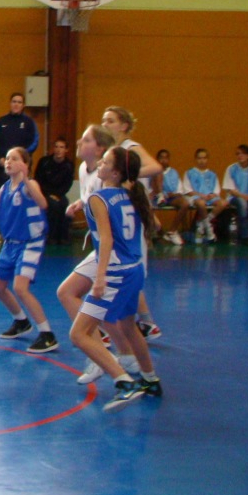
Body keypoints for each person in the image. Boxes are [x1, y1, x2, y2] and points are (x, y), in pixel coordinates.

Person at [69, 145, 162, 412]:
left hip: (113, 273)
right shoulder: (130, 194)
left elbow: (107, 239)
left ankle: (124, 383)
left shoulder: (99, 198)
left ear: (116, 171)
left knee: (78, 334)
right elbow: (151, 226)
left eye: (106, 161)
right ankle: (150, 379)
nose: (100, 163)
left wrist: (99, 279)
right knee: (128, 326)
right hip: (134, 270)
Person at [60, 124, 143, 385]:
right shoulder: (85, 170)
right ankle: (115, 356)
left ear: (100, 149)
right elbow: (92, 200)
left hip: (113, 253)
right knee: (67, 293)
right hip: (102, 249)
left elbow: (108, 213)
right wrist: (80, 203)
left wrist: (101, 275)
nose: (78, 141)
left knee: (110, 312)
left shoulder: (106, 177)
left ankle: (118, 359)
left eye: (85, 139)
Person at [0, 147, 58, 353]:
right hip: (10, 244)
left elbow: (43, 203)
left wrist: (27, 178)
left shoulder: (30, 185)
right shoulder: (5, 188)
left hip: (30, 242)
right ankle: (21, 321)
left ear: (25, 164)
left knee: (20, 288)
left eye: (14, 158)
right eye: (7, 158)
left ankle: (47, 334)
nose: (8, 162)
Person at [101, 106, 163, 341]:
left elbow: (156, 167)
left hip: (133, 220)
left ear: (124, 125)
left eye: (110, 120)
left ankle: (122, 322)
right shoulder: (113, 152)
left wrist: (129, 174)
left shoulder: (130, 148)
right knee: (123, 271)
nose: (105, 124)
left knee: (128, 271)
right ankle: (145, 322)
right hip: (122, 217)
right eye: (103, 121)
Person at [0, 92, 39, 246]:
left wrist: (19, 160)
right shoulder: (1, 122)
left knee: (21, 199)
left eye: (19, 102)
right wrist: (0, 159)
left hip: (21, 172)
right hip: (1, 168)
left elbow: (34, 143)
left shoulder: (28, 123)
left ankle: (19, 232)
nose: (16, 104)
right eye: (14, 101)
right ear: (10, 104)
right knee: (1, 198)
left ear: (23, 105)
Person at [181, 148, 228, 244]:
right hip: (196, 197)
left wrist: (212, 195)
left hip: (210, 197)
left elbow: (216, 190)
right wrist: (200, 195)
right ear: (195, 159)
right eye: (199, 158)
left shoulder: (212, 174)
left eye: (204, 158)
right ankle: (209, 230)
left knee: (223, 203)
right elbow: (187, 190)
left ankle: (201, 224)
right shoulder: (189, 173)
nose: (202, 161)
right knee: (201, 203)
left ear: (207, 159)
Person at [35, 137, 75, 244]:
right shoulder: (44, 162)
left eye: (61, 147)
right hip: (44, 193)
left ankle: (63, 236)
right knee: (53, 205)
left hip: (59, 193)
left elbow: (67, 184)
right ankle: (51, 236)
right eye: (56, 147)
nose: (58, 150)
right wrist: (49, 194)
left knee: (65, 204)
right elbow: (38, 180)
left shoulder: (69, 165)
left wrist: (57, 194)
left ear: (66, 150)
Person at [151, 149, 190, 245]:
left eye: (166, 158)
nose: (163, 160)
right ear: (157, 159)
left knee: (185, 204)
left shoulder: (174, 173)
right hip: (156, 198)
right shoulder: (152, 171)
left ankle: (172, 231)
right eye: (161, 158)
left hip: (170, 198)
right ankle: (158, 233)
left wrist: (173, 194)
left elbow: (180, 191)